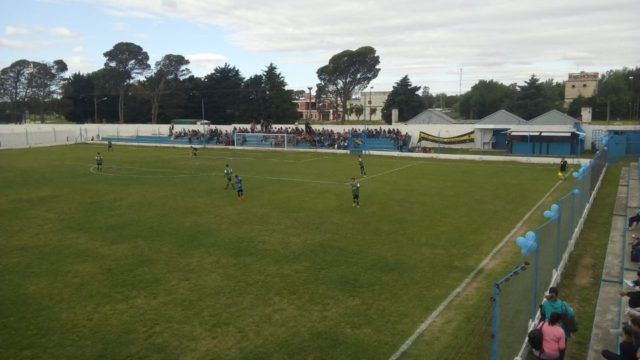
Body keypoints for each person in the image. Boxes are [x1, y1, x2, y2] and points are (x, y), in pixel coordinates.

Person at [540, 287, 575, 359]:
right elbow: (571, 314)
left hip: (547, 329)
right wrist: (571, 310)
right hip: (560, 330)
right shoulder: (563, 304)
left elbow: (543, 312)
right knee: (561, 349)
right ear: (557, 294)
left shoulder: (545, 303)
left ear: (549, 294)